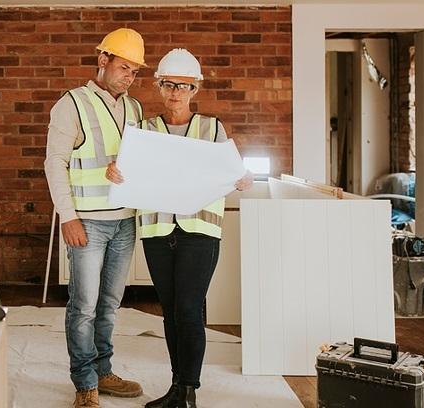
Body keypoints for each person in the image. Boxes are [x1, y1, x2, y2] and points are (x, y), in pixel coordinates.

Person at [106, 48, 253, 408]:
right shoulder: (143, 131)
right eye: (169, 85)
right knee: (170, 312)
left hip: (199, 233)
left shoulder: (211, 128)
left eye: (183, 86)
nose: (175, 92)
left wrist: (242, 179)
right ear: (158, 86)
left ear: (195, 89)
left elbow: (230, 172)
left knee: (188, 309)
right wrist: (114, 173)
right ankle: (177, 388)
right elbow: (130, 175)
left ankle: (189, 392)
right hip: (158, 233)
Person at [44, 28, 148, 408]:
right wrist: (67, 217)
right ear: (102, 60)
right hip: (87, 222)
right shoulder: (72, 104)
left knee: (109, 304)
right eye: (124, 67)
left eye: (135, 72)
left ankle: (104, 371)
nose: (129, 77)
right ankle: (85, 382)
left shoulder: (134, 108)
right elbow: (55, 163)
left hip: (125, 222)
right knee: (83, 305)